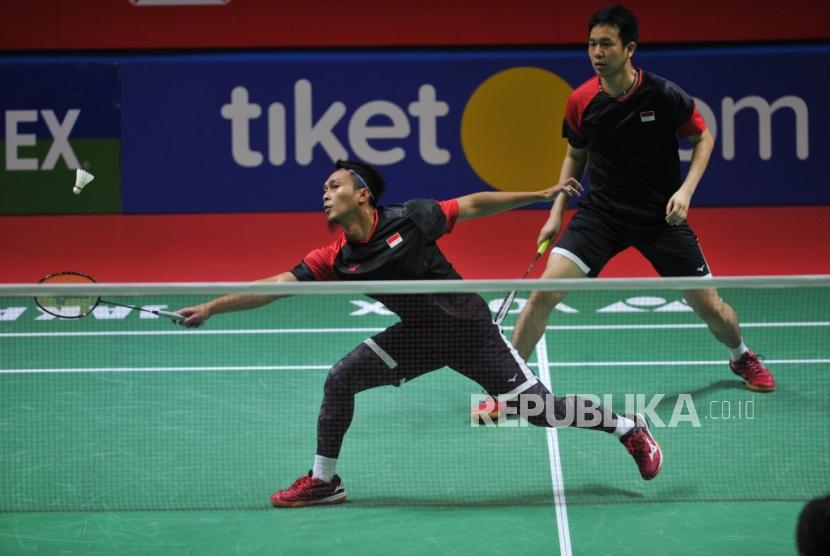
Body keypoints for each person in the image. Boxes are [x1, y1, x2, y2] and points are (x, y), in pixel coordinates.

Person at [178, 159, 663, 508]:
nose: (325, 193)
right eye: (323, 188)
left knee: (541, 411)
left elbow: (471, 205)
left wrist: (537, 195)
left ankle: (628, 428)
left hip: (470, 332)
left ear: (363, 193)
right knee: (340, 378)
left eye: (334, 185)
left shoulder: (411, 217)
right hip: (418, 337)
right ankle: (324, 481)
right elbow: (277, 286)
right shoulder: (336, 258)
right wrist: (212, 308)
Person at [512, 4, 774, 394]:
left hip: (659, 219)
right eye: (591, 45)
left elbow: (703, 138)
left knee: (711, 308)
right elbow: (576, 154)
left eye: (606, 44)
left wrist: (685, 192)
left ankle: (741, 355)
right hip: (601, 216)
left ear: (629, 48)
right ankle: (508, 384)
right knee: (543, 294)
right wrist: (556, 212)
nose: (597, 54)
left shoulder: (664, 95)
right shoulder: (581, 100)